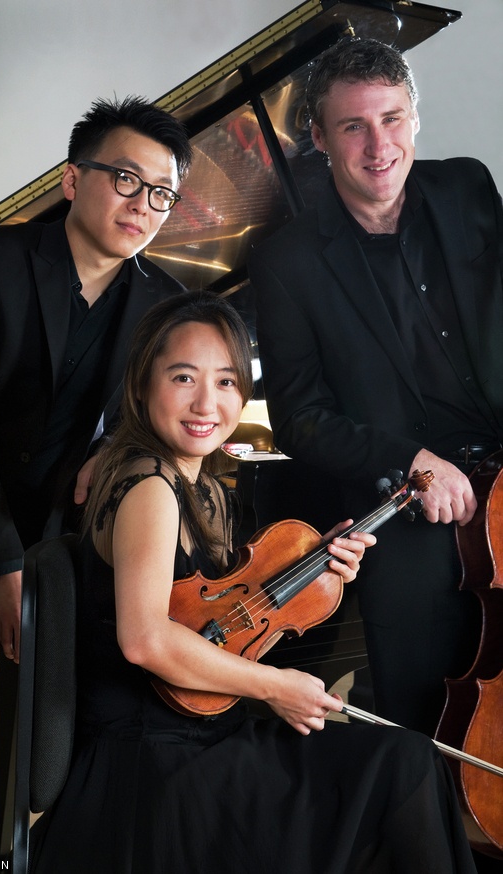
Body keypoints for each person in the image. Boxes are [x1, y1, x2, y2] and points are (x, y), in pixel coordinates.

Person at [28, 290, 476, 874]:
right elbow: (146, 640)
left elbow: (229, 615)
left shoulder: (205, 488)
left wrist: (317, 564)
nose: (206, 403)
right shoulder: (149, 487)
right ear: (142, 385)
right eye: (183, 377)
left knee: (400, 762)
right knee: (400, 771)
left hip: (205, 738)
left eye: (226, 382)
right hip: (156, 770)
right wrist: (272, 686)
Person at [0, 95, 192, 860]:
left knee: (63, 731)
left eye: (163, 193)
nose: (145, 205)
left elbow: (160, 417)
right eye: (127, 180)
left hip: (61, 553)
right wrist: (4, 565)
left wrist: (117, 446)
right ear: (74, 181)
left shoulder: (163, 306)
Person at [248, 37, 503, 745]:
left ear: (415, 118)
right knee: (419, 703)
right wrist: (412, 459)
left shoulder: (468, 189)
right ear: (319, 138)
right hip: (402, 494)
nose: (378, 144)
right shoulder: (286, 261)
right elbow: (300, 419)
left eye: (392, 119)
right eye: (354, 126)